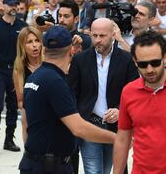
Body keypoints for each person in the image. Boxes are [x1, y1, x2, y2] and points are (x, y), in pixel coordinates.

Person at [19, 26, 116, 174]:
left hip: (33, 161)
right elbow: (79, 128)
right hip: (51, 166)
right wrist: (117, 138)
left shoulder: (35, 76)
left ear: (44, 50)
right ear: (71, 51)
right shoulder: (55, 82)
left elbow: (25, 122)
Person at [68, 18, 139, 174]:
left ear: (113, 35)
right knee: (93, 171)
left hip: (116, 127)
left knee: (108, 169)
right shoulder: (80, 60)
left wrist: (120, 111)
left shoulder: (126, 60)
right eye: (94, 36)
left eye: (102, 36)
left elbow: (135, 93)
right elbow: (72, 92)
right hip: (89, 124)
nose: (98, 40)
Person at [113, 30, 166, 173]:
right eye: (143, 64)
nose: (149, 69)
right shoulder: (129, 92)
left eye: (155, 63)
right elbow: (123, 138)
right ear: (135, 62)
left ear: (164, 58)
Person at [0, 0, 27, 156]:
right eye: (10, 5)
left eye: (15, 4)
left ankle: (9, 139)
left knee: (14, 104)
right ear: (3, 6)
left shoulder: (22, 26)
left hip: (16, 70)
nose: (13, 7)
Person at [13, 26, 43, 143]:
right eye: (29, 42)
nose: (35, 45)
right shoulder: (19, 71)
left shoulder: (49, 64)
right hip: (31, 118)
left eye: (37, 41)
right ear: (22, 47)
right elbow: (21, 102)